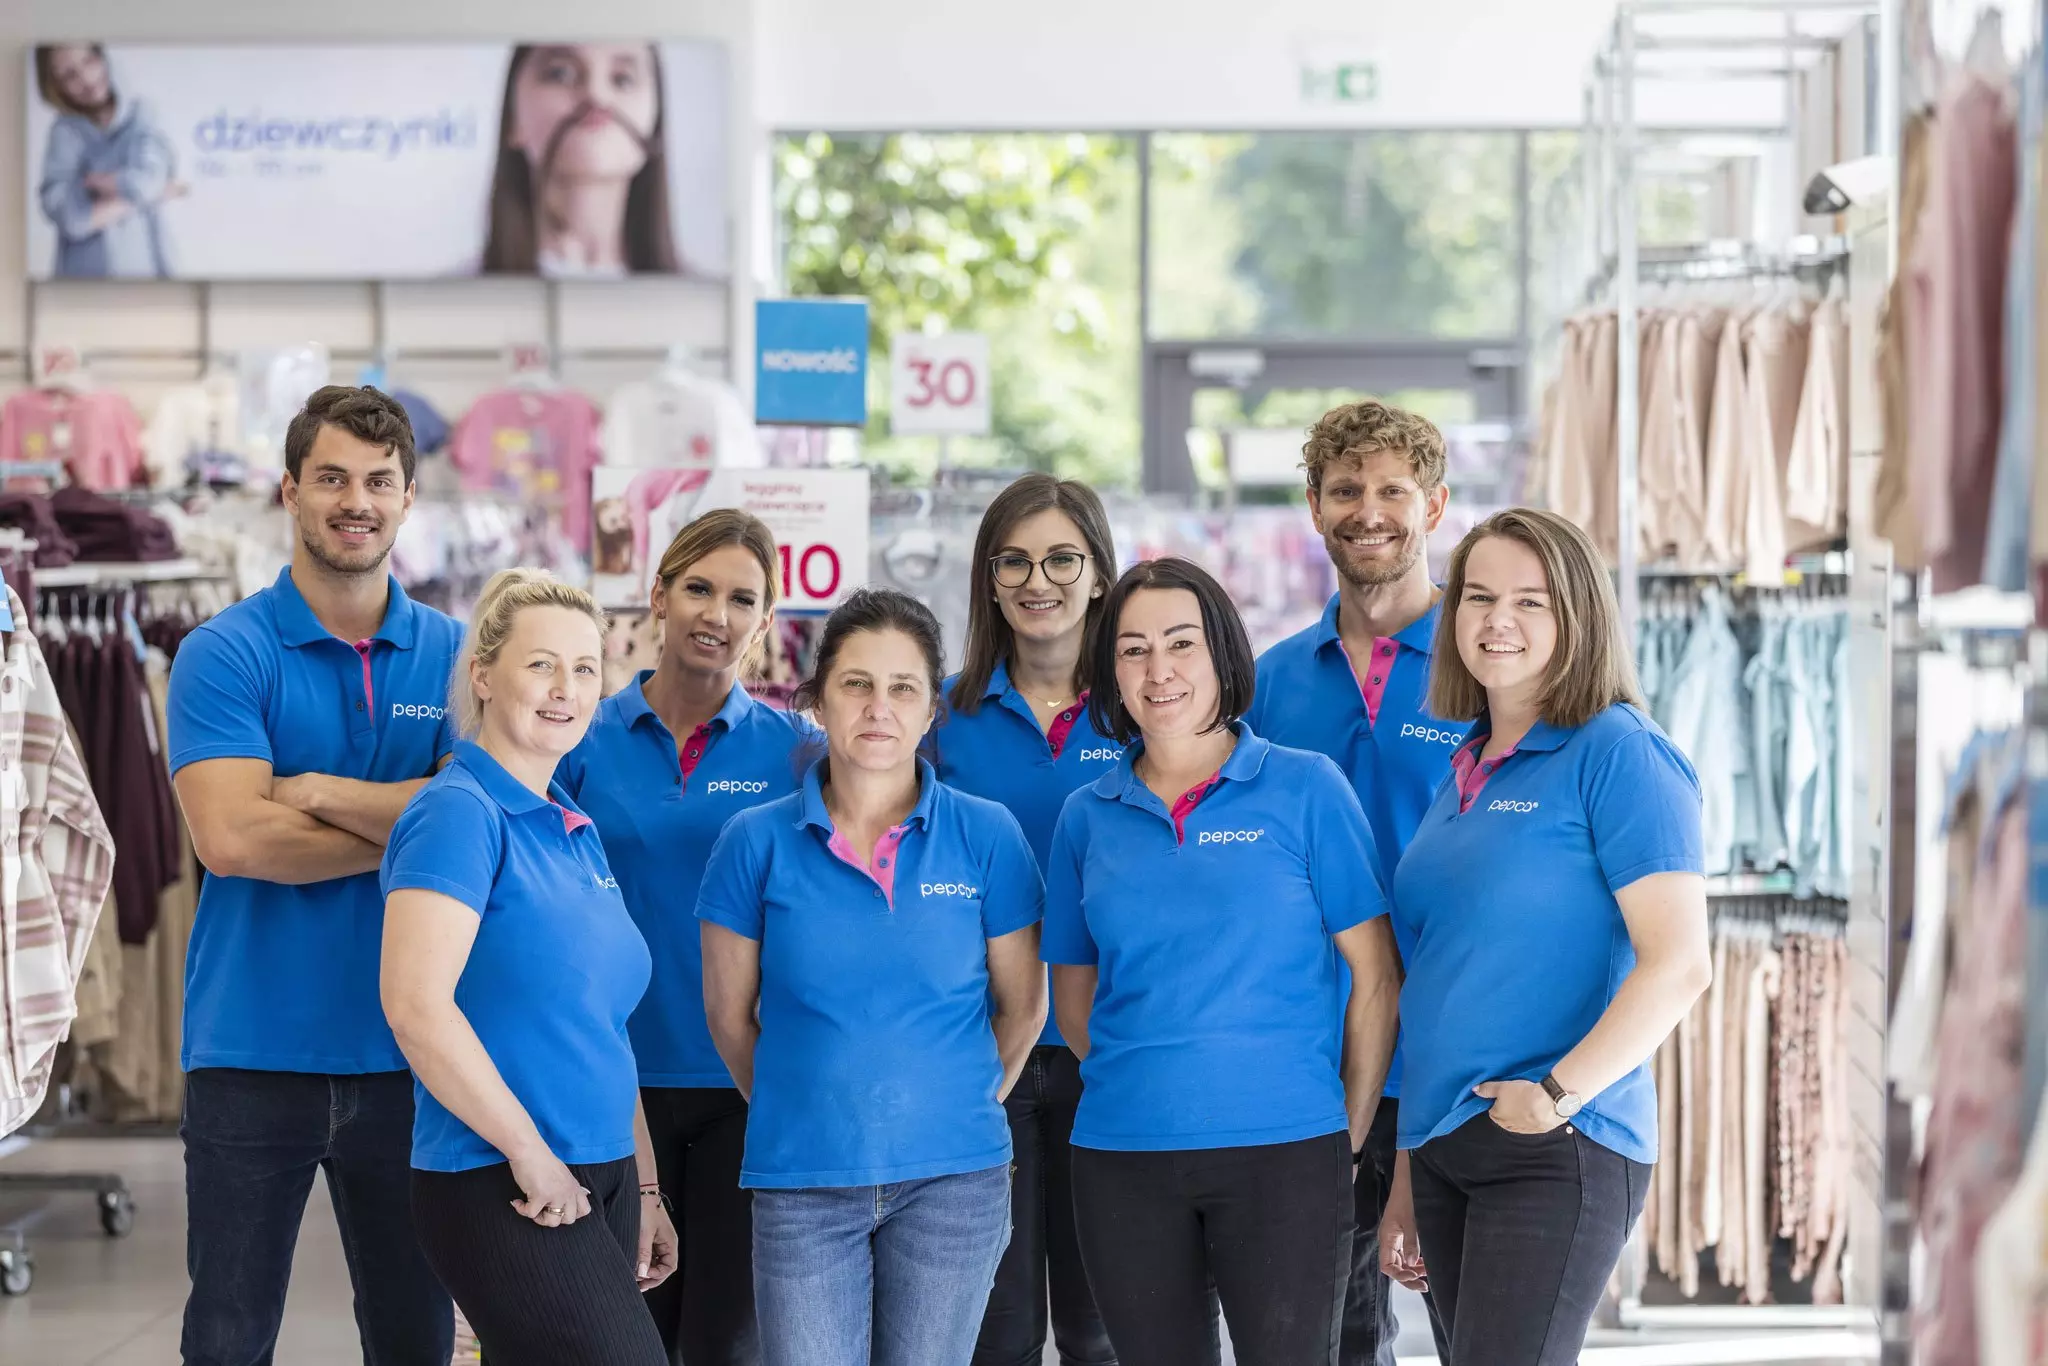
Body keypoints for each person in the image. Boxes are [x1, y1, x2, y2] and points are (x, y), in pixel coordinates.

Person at [1042, 556, 1403, 1366]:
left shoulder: (1307, 789)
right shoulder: (1084, 818)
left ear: (1222, 656)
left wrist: (1341, 1133)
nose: (1158, 670)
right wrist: (1157, 1081)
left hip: (1288, 1158)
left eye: (1181, 644)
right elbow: (1072, 1001)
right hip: (1122, 1160)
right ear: (1109, 673)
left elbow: (1376, 978)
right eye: (1132, 650)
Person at [168, 386, 463, 1366]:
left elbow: (490, 826)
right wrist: (415, 826)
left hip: (416, 1054)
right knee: (228, 1338)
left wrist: (314, 792)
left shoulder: (460, 658)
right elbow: (233, 841)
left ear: (408, 497)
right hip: (252, 1052)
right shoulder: (223, 652)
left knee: (414, 1337)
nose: (356, 500)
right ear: (290, 491)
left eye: (379, 481)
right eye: (332, 477)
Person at [1387, 509, 1711, 1366]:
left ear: (1579, 617)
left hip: (1556, 1141)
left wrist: (1554, 1098)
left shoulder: (1620, 753)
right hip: (1446, 1138)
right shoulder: (1466, 762)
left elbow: (1679, 966)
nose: (1498, 620)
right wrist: (1409, 1165)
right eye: (1480, 596)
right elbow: (1438, 976)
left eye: (1532, 601)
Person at [697, 588, 1047, 1366]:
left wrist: (955, 1104)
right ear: (818, 700)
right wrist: (810, 1101)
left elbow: (1023, 1010)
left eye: (903, 688)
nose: (878, 708)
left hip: (954, 1183)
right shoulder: (751, 843)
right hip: (803, 1182)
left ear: (931, 711)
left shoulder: (987, 836)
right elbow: (728, 1017)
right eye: (856, 683)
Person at [381, 569, 677, 1366]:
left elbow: (604, 1028)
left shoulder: (572, 828)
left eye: (586, 669)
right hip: (501, 1175)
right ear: (482, 673)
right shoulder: (457, 813)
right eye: (541, 664)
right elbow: (416, 1007)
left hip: (599, 1171)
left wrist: (643, 1188)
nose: (566, 689)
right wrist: (529, 1152)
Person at [558, 510, 815, 1365]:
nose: (718, 613)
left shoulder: (798, 755)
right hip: (608, 1083)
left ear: (766, 621)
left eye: (743, 598)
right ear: (658, 596)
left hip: (747, 1084)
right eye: (699, 588)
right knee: (627, 1335)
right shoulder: (581, 738)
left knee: (727, 1340)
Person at [1243, 399, 1459, 1366]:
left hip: (1458, 1054)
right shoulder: (1269, 682)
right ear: (1314, 508)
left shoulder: (1489, 663)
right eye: (1345, 491)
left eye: (1392, 491)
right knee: (1333, 1334)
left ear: (1436, 506)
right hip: (1316, 1061)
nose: (1368, 512)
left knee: (1476, 1326)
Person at [929, 473, 1121, 1366]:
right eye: (1014, 560)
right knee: (992, 1332)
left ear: (1098, 573)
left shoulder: (1150, 709)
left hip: (1112, 1050)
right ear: (989, 578)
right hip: (979, 1050)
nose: (1037, 580)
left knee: (1102, 1328)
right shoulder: (940, 716)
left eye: (1061, 559)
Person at [483, 42, 681, 277]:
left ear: (655, 124)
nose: (596, 95)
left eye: (622, 79)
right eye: (561, 74)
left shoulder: (699, 303)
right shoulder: (454, 302)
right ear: (512, 119)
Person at [35, 43, 183, 278]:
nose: (86, 78)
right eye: (68, 75)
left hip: (151, 278)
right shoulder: (63, 133)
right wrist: (142, 195)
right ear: (56, 87)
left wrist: (95, 185)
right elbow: (72, 220)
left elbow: (148, 182)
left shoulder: (142, 114)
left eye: (89, 61)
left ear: (102, 57)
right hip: (81, 287)